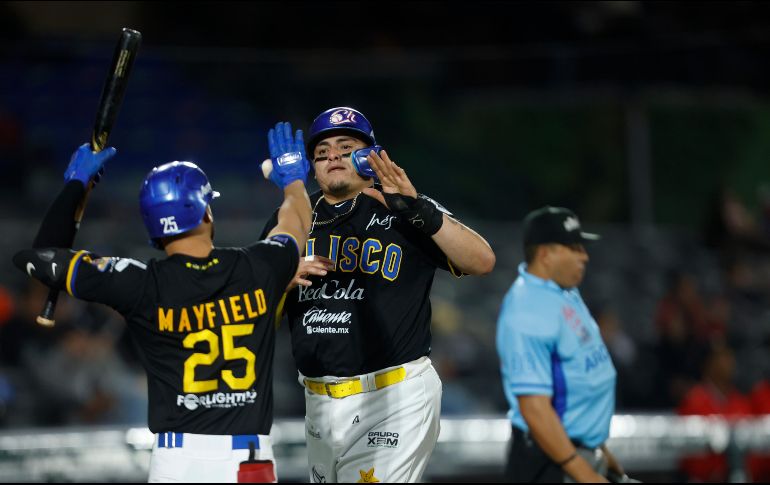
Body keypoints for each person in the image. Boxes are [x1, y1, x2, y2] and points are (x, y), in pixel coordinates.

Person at [12, 121, 312, 483]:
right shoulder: (260, 266)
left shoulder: (137, 283)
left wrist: (76, 185)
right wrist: (293, 180)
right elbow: (296, 220)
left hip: (177, 462)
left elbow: (40, 258)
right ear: (206, 212)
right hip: (247, 462)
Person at [259, 107, 496, 483]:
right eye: (321, 153)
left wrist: (419, 208)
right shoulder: (290, 220)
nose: (332, 156)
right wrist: (278, 282)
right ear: (312, 167)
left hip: (393, 397)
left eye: (345, 146)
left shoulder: (404, 206)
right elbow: (256, 316)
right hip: (319, 403)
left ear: (370, 156)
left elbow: (482, 260)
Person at [495, 206, 631, 483]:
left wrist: (599, 453)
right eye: (574, 247)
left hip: (577, 453)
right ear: (545, 254)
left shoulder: (564, 292)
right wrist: (584, 473)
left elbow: (581, 381)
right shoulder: (526, 309)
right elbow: (535, 409)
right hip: (551, 461)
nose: (585, 256)